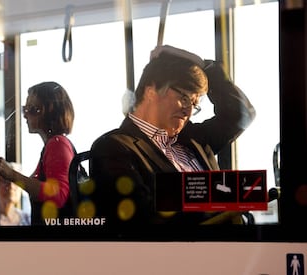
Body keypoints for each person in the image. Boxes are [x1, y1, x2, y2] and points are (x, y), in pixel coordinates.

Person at [89, 45, 256, 225]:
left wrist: (202, 64)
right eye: (184, 98)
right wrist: (231, 193)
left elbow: (242, 114)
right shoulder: (113, 148)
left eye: (195, 104)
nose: (189, 111)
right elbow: (143, 218)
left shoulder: (193, 138)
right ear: (151, 91)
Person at [0, 81, 76, 225]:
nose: (25, 115)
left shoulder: (57, 145)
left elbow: (58, 196)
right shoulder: (53, 145)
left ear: (50, 111)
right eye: (25, 109)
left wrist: (11, 174)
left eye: (33, 109)